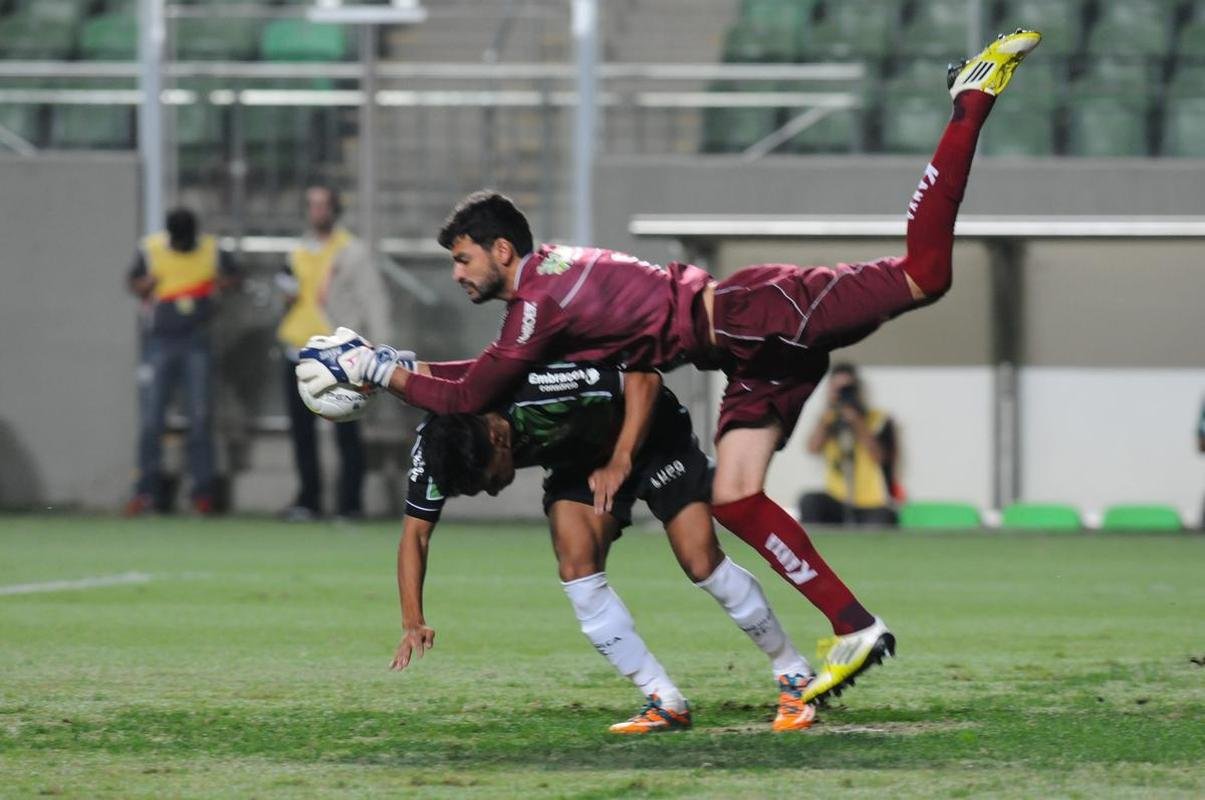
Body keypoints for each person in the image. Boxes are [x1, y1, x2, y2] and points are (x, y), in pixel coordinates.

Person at [297, 31, 1042, 703]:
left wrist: (377, 369)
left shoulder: (540, 300)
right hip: (740, 356)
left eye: (462, 259)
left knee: (923, 275)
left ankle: (969, 100)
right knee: (734, 500)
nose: (457, 275)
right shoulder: (542, 297)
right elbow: (485, 376)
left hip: (756, 314)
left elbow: (476, 390)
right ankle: (853, 626)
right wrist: (392, 365)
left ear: (500, 250)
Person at [387, 360, 817, 733]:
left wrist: (622, 459)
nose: (493, 491)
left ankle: (793, 672)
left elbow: (644, 378)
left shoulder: (545, 385)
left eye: (488, 480)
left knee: (700, 561)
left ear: (497, 437)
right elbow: (415, 535)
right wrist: (412, 620)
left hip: (651, 436)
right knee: (576, 566)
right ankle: (663, 700)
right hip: (579, 461)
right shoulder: (438, 445)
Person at [276, 185, 389, 521]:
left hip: (337, 355)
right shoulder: (297, 251)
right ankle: (308, 500)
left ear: (335, 209)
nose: (317, 211)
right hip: (297, 350)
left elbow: (373, 300)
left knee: (347, 429)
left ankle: (350, 503)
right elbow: (290, 294)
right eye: (312, 205)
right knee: (302, 432)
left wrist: (382, 348)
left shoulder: (351, 251)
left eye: (323, 205)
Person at [125, 207, 239, 516]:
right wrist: (147, 284)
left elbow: (235, 278)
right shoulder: (151, 249)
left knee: (200, 419)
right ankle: (145, 492)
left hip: (197, 342)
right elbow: (133, 283)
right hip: (160, 342)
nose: (181, 245)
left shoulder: (211, 249)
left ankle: (203, 494)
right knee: (152, 420)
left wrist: (219, 286)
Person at [799, 363, 900, 526]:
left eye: (847, 389)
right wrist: (827, 416)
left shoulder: (878, 419)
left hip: (872, 501)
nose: (842, 394)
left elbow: (881, 458)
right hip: (837, 497)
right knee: (809, 501)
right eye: (837, 389)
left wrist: (856, 421)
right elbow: (812, 448)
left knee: (884, 520)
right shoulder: (828, 419)